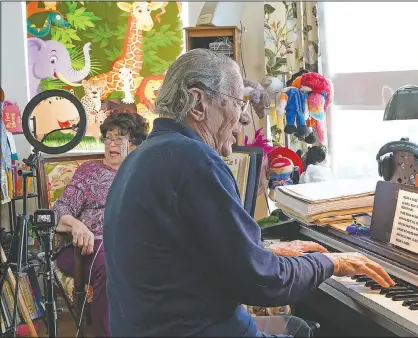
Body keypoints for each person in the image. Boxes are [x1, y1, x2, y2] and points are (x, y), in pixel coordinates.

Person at [103, 49, 395, 337]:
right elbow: (262, 284)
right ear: (198, 103)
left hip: (152, 326)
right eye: (237, 102)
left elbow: (188, 254)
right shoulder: (195, 161)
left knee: (298, 327)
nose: (244, 119)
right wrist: (331, 262)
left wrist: (262, 251)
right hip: (197, 330)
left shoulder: (145, 155)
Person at [52, 111, 148, 337]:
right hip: (83, 249)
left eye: (119, 139)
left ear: (133, 144)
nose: (111, 143)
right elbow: (60, 210)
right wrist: (77, 226)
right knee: (109, 263)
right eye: (108, 137)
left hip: (130, 248)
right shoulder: (89, 171)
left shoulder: (142, 173)